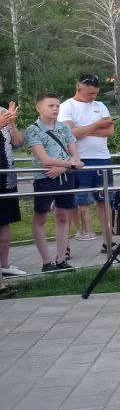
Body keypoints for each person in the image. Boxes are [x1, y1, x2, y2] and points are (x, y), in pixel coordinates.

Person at [59, 73, 117, 254]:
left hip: (102, 159)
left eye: (96, 93)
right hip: (79, 160)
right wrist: (97, 124)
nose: (94, 97)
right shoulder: (66, 106)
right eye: (90, 93)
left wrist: (82, 129)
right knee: (71, 204)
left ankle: (109, 242)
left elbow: (110, 131)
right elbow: (69, 134)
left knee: (105, 201)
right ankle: (64, 247)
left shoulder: (100, 106)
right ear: (79, 88)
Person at [26, 92, 81, 272]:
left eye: (57, 105)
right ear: (39, 108)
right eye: (51, 105)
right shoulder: (33, 129)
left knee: (64, 216)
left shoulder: (64, 128)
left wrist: (65, 168)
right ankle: (46, 261)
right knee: (41, 216)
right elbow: (45, 159)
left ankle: (61, 259)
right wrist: (70, 165)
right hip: (45, 178)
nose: (55, 108)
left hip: (65, 177)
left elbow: (76, 155)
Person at [0, 100, 27, 278]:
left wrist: (10, 122)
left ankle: (5, 265)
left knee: (4, 222)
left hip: (6, 177)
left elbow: (17, 141)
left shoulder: (2, 111)